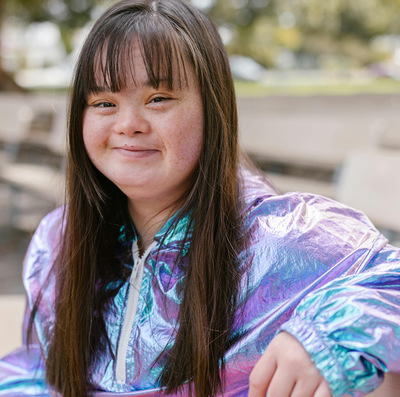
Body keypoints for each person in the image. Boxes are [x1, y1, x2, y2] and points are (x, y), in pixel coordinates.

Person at [1, 0, 400, 396]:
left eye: (158, 98)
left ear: (213, 106)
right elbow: (45, 374)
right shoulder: (58, 241)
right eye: (104, 103)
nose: (128, 125)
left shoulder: (282, 237)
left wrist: (328, 332)